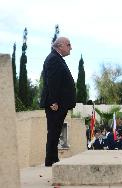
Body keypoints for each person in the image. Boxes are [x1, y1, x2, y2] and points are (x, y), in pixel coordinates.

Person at [40, 37, 76, 167]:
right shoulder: (54, 59)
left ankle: (53, 158)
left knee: (55, 130)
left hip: (59, 103)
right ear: (59, 46)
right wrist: (54, 101)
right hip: (56, 104)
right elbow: (52, 82)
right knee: (54, 130)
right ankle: (50, 160)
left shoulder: (56, 58)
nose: (70, 47)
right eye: (68, 45)